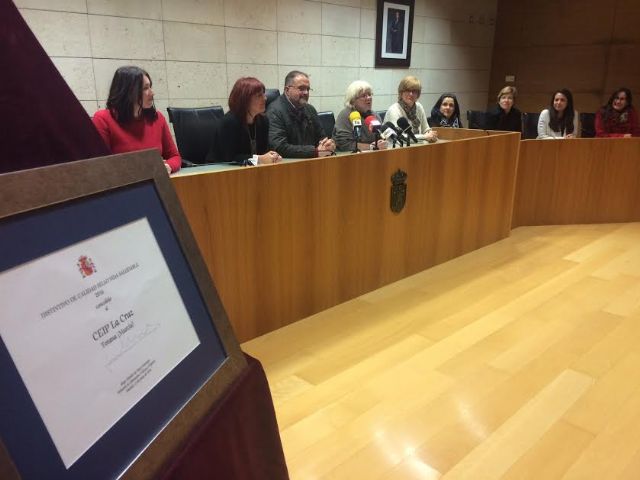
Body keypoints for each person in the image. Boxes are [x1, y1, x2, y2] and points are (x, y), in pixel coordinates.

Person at [92, 66, 180, 174]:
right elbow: (98, 166)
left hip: (155, 181)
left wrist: (168, 166)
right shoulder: (102, 119)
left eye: (150, 87)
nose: (152, 93)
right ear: (127, 91)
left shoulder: (158, 118)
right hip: (124, 183)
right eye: (145, 88)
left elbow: (174, 156)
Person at [207, 77, 281, 165]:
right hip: (220, 170)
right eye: (259, 95)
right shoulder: (229, 122)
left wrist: (272, 156)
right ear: (244, 100)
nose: (265, 98)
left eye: (263, 94)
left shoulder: (263, 121)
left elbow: (263, 152)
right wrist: (259, 159)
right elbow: (229, 158)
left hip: (252, 169)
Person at [267, 71, 335, 158]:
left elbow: (322, 137)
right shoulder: (274, 111)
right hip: (286, 163)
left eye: (308, 89)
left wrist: (328, 145)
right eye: (301, 88)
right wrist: (314, 151)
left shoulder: (310, 109)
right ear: (287, 90)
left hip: (311, 160)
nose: (306, 92)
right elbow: (279, 147)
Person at [334, 80, 388, 152]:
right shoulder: (345, 115)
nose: (369, 98)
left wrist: (382, 142)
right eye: (363, 96)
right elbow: (344, 144)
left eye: (369, 94)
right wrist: (371, 147)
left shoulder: (374, 115)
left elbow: (380, 137)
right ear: (353, 100)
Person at [385, 76, 438, 143]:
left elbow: (425, 129)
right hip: (398, 147)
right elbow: (399, 138)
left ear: (418, 94)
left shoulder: (419, 107)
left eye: (414, 91)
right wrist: (424, 137)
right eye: (408, 90)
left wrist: (431, 134)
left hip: (418, 145)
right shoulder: (393, 110)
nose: (411, 94)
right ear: (401, 92)